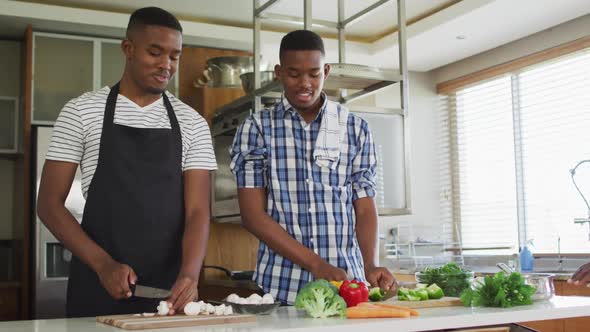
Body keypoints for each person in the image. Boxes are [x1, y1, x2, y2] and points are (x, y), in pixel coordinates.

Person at [36, 7, 216, 317]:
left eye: (174, 56)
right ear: (128, 49)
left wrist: (189, 273)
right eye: (155, 52)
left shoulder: (193, 123)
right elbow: (49, 204)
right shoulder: (81, 112)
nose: (166, 65)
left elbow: (198, 211)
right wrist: (103, 264)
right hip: (96, 285)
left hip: (169, 294)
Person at [230, 29, 396, 305]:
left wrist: (370, 264)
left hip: (348, 287)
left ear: (326, 71)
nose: (304, 83)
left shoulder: (355, 129)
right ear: (279, 72)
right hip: (282, 286)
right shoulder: (257, 128)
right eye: (294, 74)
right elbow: (252, 216)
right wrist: (315, 264)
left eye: (314, 73)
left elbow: (364, 206)